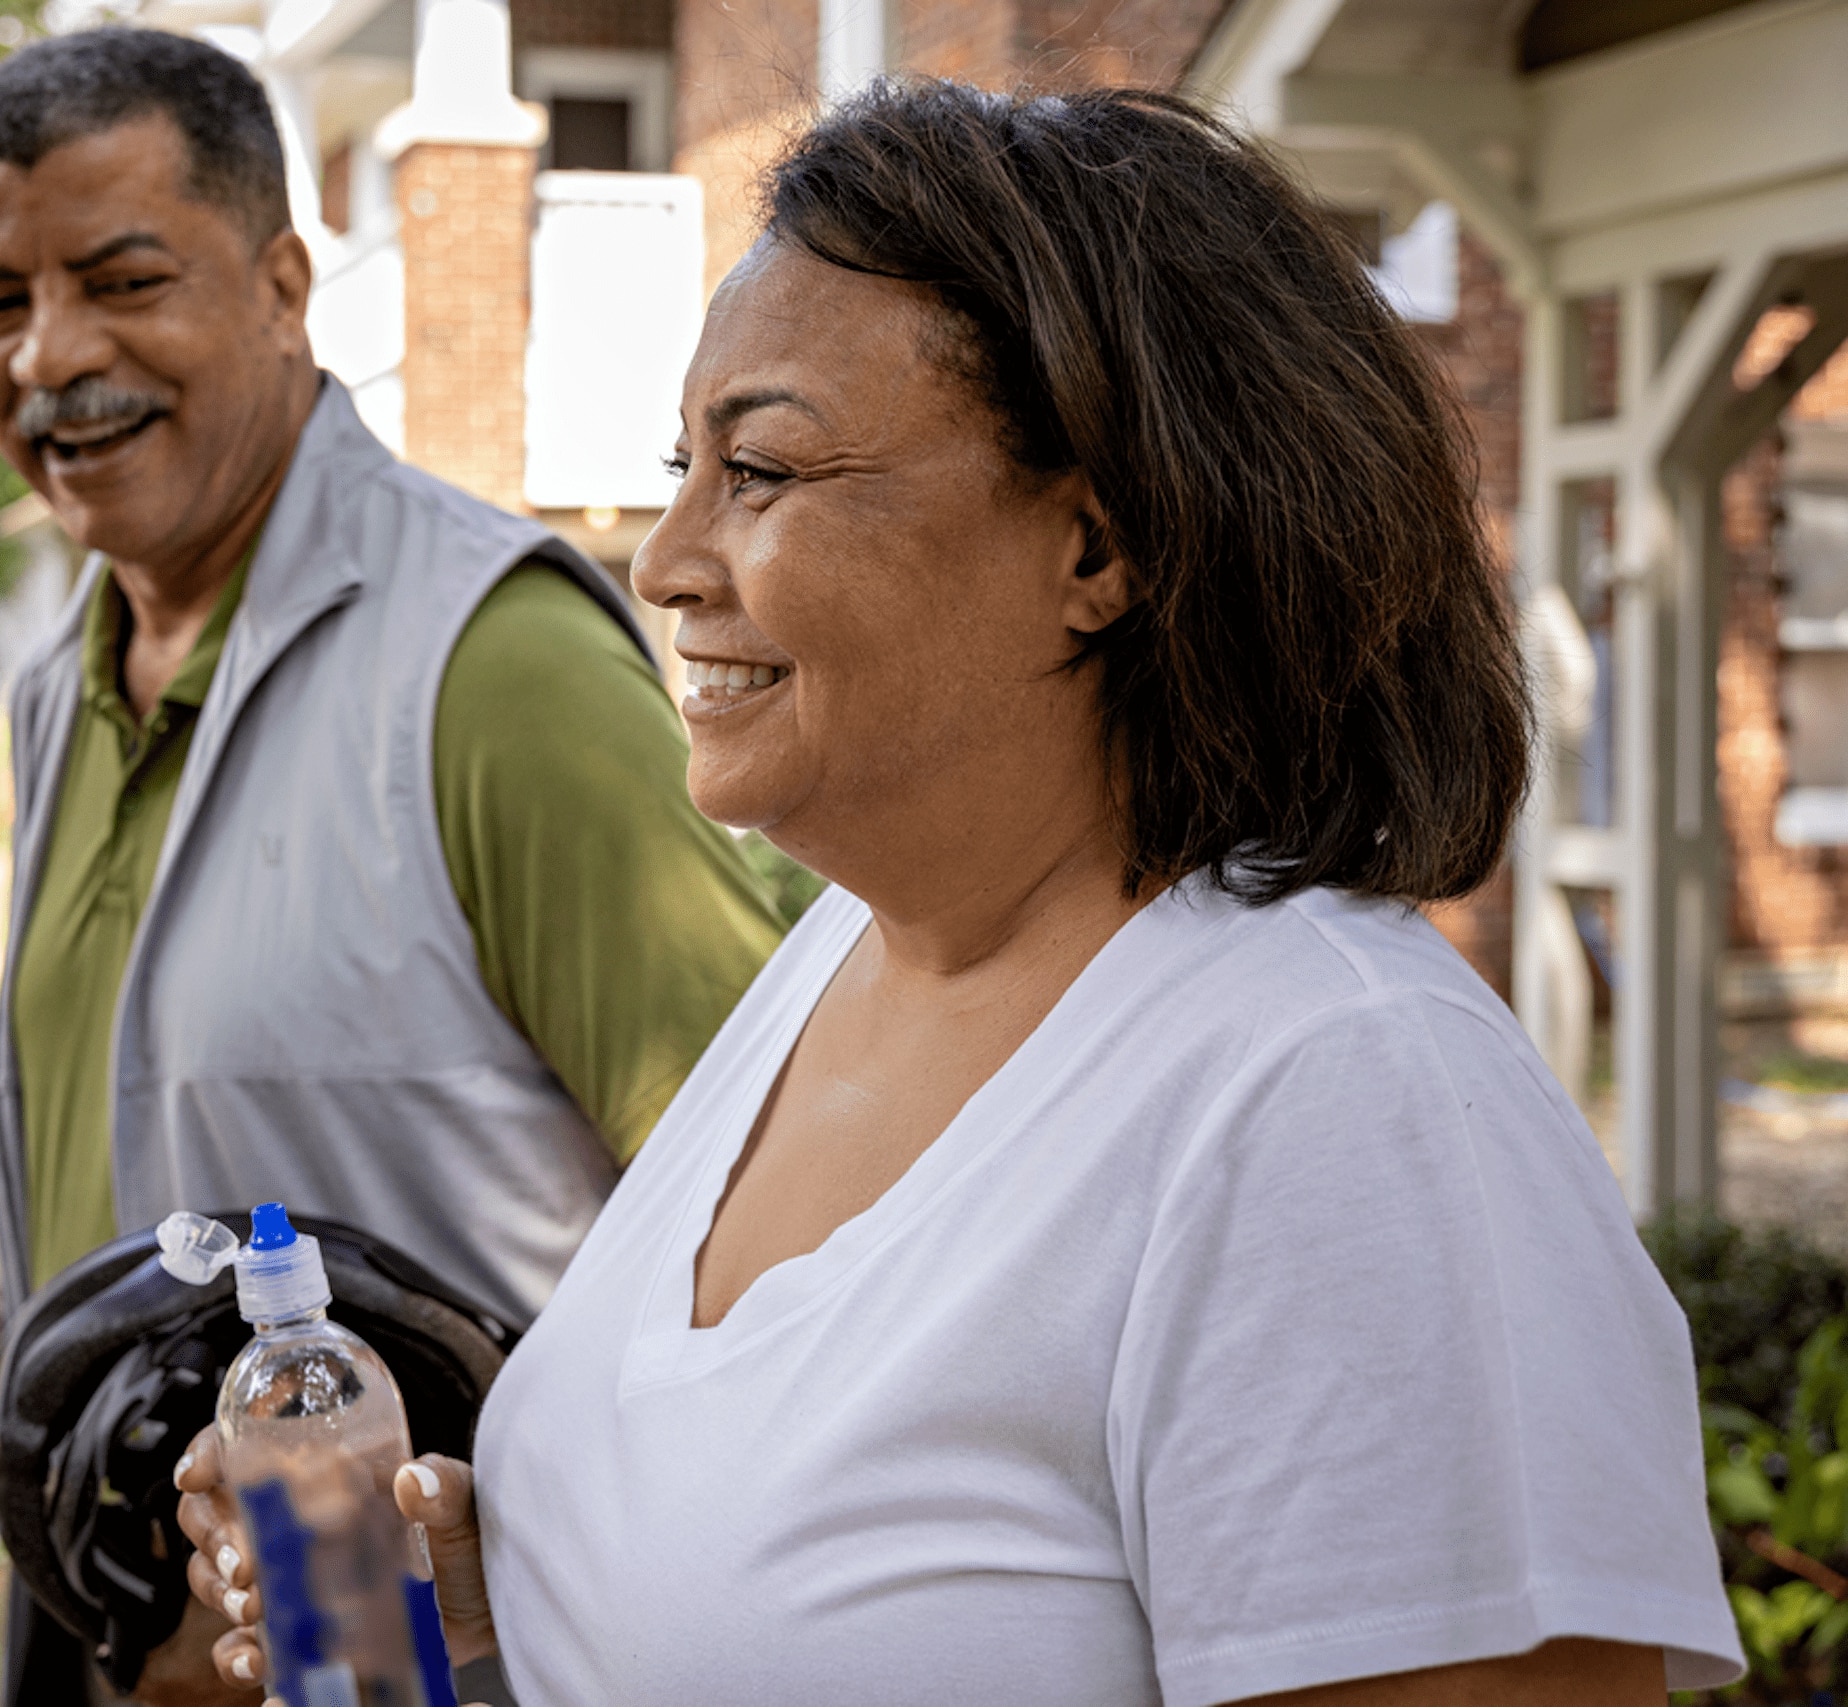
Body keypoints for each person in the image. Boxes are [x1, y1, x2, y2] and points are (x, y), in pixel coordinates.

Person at [176, 83, 1746, 1704]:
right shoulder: (853, 955)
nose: (665, 560)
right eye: (682, 466)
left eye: (765, 470)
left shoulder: (1344, 1105)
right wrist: (492, 1583)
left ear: (1099, 543)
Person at [0, 27, 783, 1704]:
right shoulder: (63, 684)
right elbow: (178, 1181)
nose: (50, 357)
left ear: (280, 282)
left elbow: (774, 1257)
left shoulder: (497, 665)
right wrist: (7, 1377)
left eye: (123, 279)